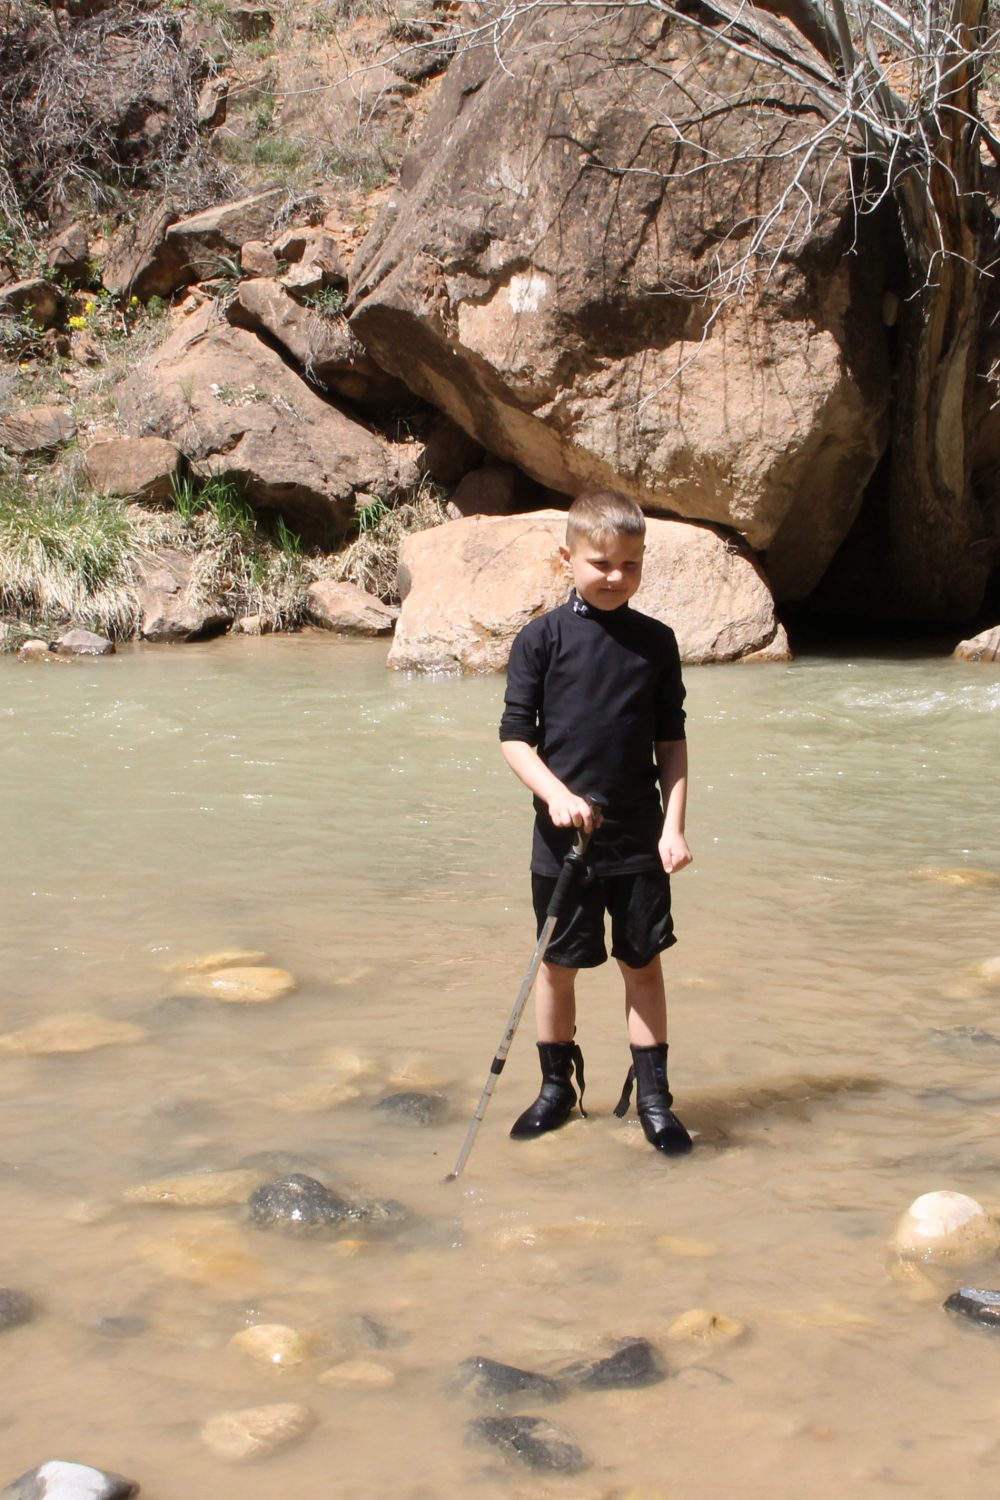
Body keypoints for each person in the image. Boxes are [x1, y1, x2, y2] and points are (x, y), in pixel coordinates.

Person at [498, 489, 693, 1156]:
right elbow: (514, 740)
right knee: (557, 967)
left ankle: (655, 1100)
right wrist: (555, 795)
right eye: (601, 562)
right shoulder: (542, 638)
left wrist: (674, 827)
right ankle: (557, 1090)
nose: (615, 576)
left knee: (643, 965)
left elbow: (671, 744)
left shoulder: (656, 643)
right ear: (568, 558)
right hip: (563, 845)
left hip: (639, 840)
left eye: (631, 564)